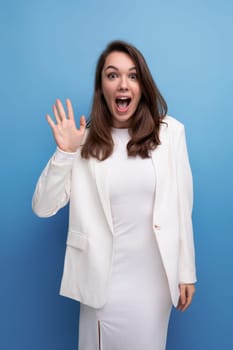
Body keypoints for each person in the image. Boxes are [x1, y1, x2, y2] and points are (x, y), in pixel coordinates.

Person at [32, 40, 197, 350]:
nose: (123, 84)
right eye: (112, 75)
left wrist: (186, 270)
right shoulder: (85, 140)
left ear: (143, 85)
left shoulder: (170, 133)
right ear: (102, 87)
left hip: (154, 284)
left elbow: (181, 206)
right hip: (101, 282)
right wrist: (65, 152)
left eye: (132, 76)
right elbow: (42, 207)